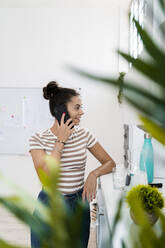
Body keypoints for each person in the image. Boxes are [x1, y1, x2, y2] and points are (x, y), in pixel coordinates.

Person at [29, 81, 116, 247]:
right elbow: (46, 176)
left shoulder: (84, 134)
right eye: (77, 107)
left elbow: (110, 163)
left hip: (78, 204)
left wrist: (93, 174)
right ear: (61, 110)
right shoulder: (38, 139)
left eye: (81, 107)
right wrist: (61, 141)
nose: (82, 112)